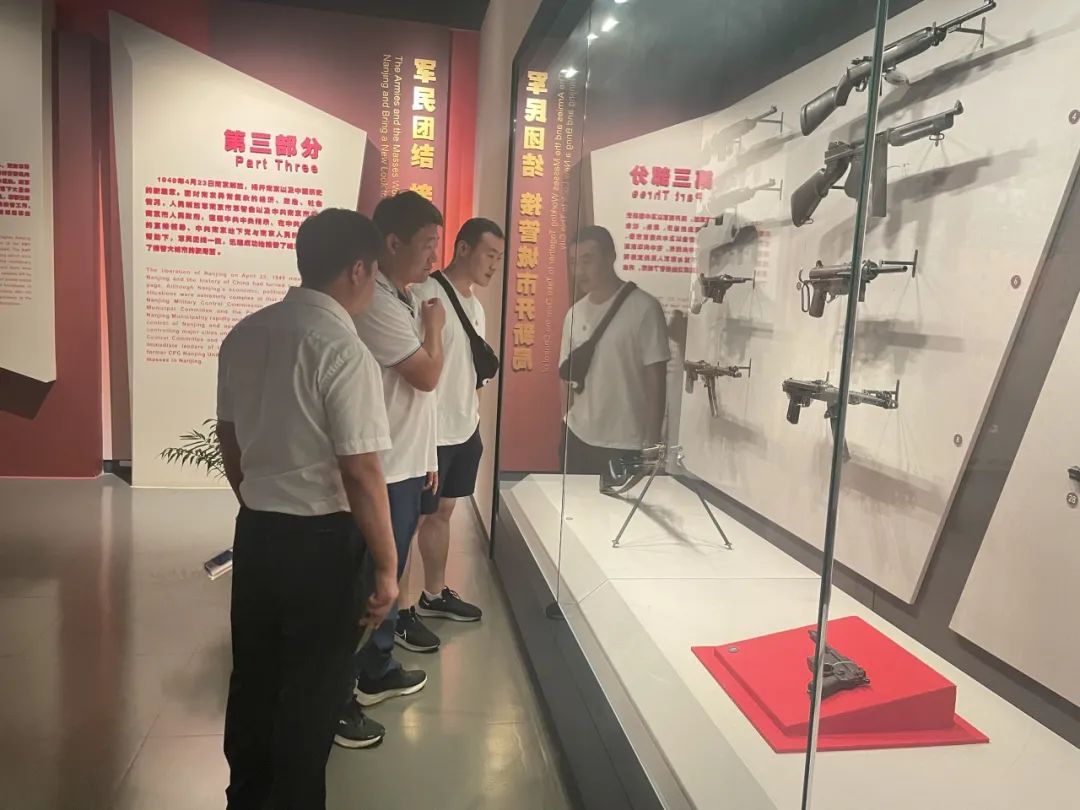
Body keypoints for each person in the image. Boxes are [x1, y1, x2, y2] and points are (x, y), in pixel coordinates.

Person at [216, 208, 399, 809]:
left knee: (254, 679)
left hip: (258, 533)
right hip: (322, 545)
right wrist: (388, 567)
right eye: (375, 274)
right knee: (313, 692)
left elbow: (229, 440)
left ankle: (245, 798)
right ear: (358, 269)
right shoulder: (343, 350)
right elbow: (361, 471)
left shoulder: (245, 334)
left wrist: (258, 504)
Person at [347, 191, 445, 716]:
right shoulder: (379, 304)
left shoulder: (401, 296)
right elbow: (425, 376)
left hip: (406, 460)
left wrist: (428, 456)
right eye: (427, 244)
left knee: (391, 565)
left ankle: (376, 664)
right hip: (384, 466)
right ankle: (358, 676)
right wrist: (435, 330)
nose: (433, 256)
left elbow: (416, 397)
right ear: (392, 242)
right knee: (374, 576)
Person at [402, 218, 504, 641]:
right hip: (429, 432)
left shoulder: (476, 307)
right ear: (463, 249)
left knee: (443, 512)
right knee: (409, 520)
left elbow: (474, 373)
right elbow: (414, 369)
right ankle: (398, 613)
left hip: (464, 428)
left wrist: (472, 416)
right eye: (489, 254)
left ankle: (432, 594)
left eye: (499, 257)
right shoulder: (424, 294)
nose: (494, 264)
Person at [559, 225, 671, 474]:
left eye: (587, 261)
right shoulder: (574, 314)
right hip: (578, 436)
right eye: (574, 262)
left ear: (610, 256)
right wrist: (566, 419)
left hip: (626, 442)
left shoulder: (644, 308)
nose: (580, 271)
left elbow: (656, 379)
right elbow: (564, 376)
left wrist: (652, 443)